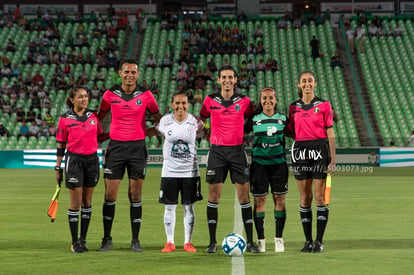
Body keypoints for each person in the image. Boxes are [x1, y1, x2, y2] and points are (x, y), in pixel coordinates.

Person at [98, 59, 162, 252]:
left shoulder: (146, 96)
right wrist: (103, 136)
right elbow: (97, 119)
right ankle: (107, 239)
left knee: (135, 194)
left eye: (133, 72)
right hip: (115, 148)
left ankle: (135, 240)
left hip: (137, 149)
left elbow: (161, 122)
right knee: (110, 194)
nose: (130, 75)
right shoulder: (110, 95)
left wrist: (146, 132)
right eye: (126, 72)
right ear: (120, 73)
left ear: (138, 74)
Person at [200, 65, 260, 253]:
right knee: (213, 197)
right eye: (223, 77)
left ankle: (250, 242)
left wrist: (245, 131)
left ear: (235, 80)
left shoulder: (244, 101)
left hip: (237, 152)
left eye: (230, 77)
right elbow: (202, 118)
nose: (227, 80)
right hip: (217, 152)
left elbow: (251, 117)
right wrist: (207, 131)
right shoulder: (210, 100)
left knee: (244, 197)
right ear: (218, 80)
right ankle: (212, 242)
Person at [285, 71, 336, 253]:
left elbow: (330, 132)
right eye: (304, 81)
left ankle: (319, 241)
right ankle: (307, 241)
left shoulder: (324, 105)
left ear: (315, 84)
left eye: (310, 81)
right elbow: (290, 131)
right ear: (299, 84)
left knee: (320, 198)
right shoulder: (293, 107)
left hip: (319, 150)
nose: (307, 84)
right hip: (300, 151)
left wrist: (333, 158)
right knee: (305, 198)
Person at [148, 91, 203, 253]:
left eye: (184, 103)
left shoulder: (195, 122)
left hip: (190, 172)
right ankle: (170, 242)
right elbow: (154, 131)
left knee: (189, 207)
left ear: (188, 104)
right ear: (172, 105)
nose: (181, 106)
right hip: (170, 171)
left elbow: (207, 133)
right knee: (169, 207)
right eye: (177, 103)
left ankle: (188, 242)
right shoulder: (165, 121)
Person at [55, 86, 108, 253]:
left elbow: (100, 136)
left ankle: (83, 240)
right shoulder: (64, 119)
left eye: (86, 96)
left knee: (87, 203)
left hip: (92, 161)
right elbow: (61, 144)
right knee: (75, 203)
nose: (84, 99)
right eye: (80, 97)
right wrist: (57, 166)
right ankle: (74, 242)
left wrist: (115, 133)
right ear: (72, 100)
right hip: (74, 161)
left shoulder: (93, 116)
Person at [248, 87, 289, 253]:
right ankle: (261, 240)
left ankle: (279, 239)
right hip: (259, 165)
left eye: (271, 98)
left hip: (279, 164)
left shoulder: (283, 119)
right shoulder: (254, 119)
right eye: (264, 98)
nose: (268, 101)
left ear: (276, 100)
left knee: (280, 199)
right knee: (259, 201)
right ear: (260, 100)